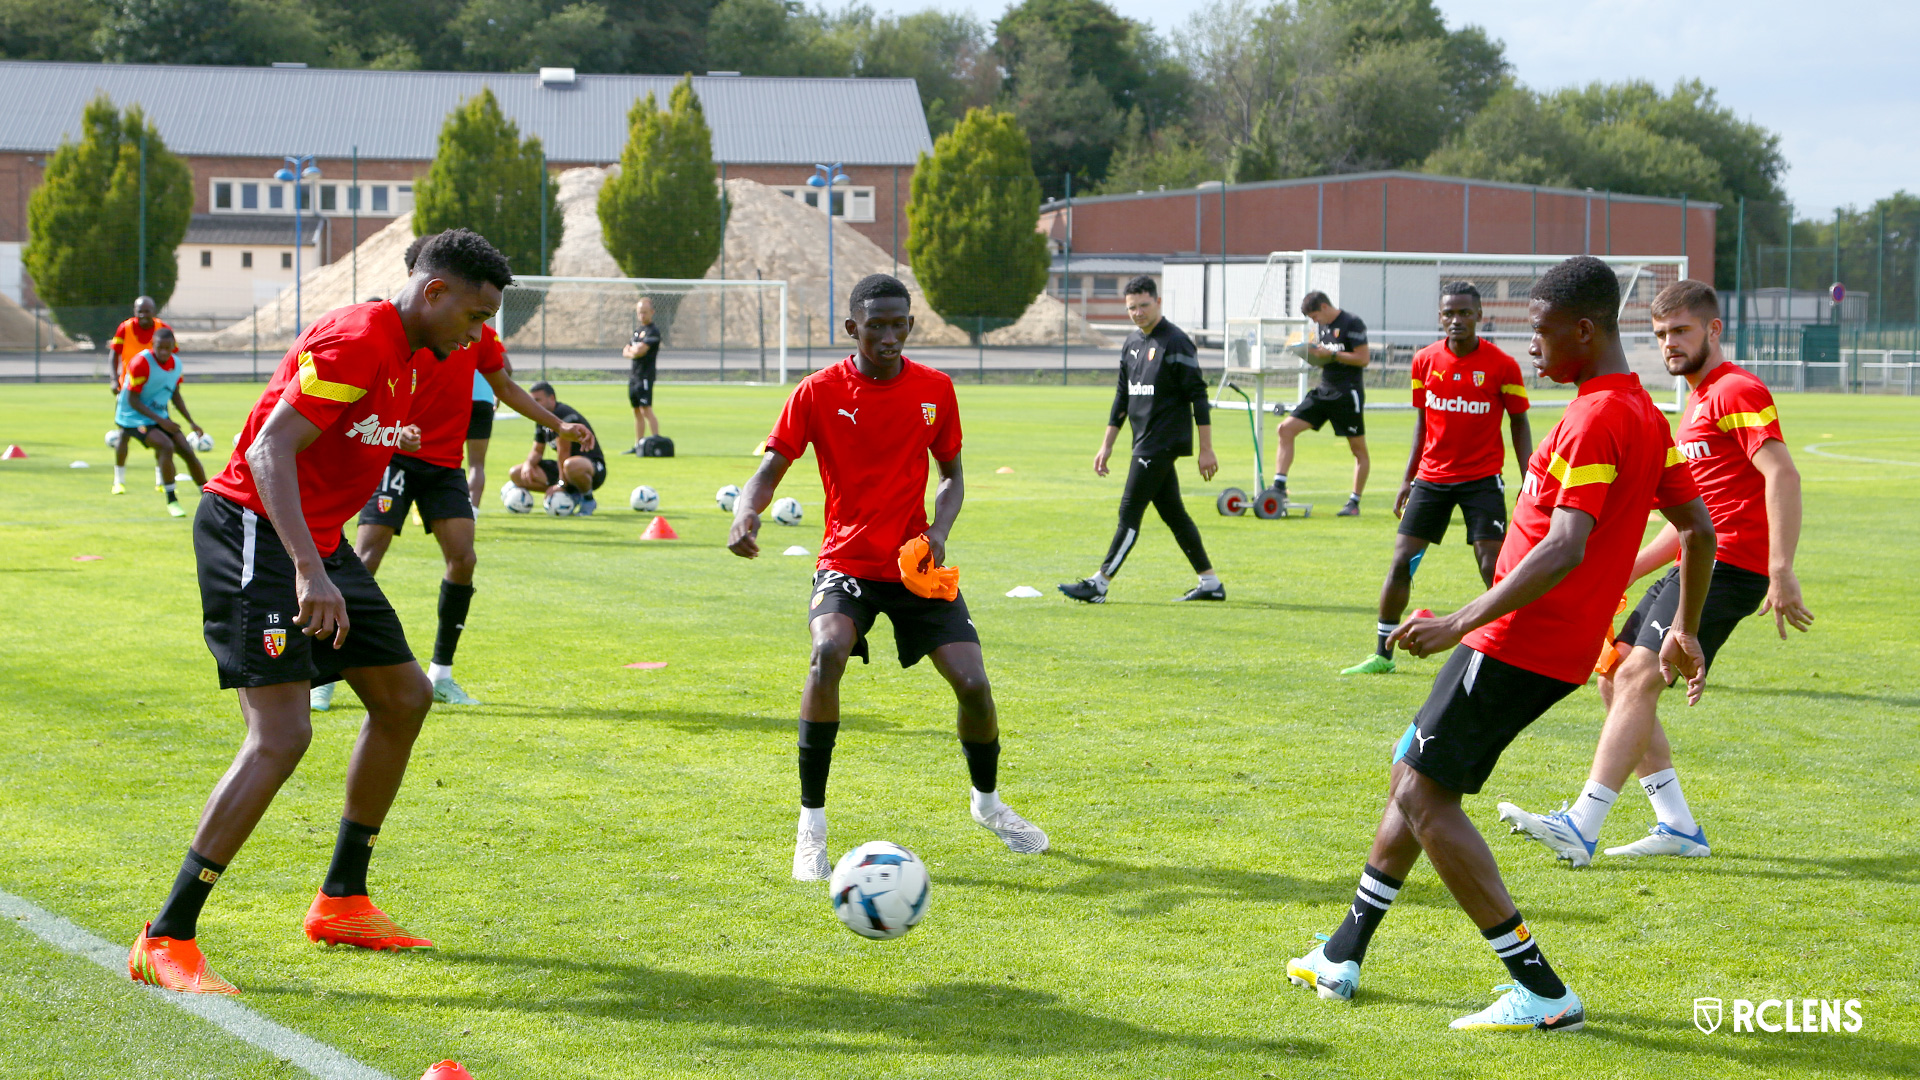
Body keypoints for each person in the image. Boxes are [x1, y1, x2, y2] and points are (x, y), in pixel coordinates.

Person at [1282, 256, 1715, 1032]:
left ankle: (1542, 989)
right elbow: (1697, 530)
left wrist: (1457, 621)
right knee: (1413, 769)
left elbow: (1564, 546)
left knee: (1421, 792)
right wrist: (1683, 625)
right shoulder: (1644, 413)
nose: (1535, 349)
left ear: (1584, 329)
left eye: (1543, 333)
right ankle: (1342, 952)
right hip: (1547, 640)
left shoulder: (1595, 418)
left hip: (1517, 638)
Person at [127, 229, 514, 995]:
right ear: (434, 292)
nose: (478, 334)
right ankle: (165, 935)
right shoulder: (360, 339)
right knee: (282, 735)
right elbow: (270, 450)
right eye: (475, 314)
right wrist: (310, 570)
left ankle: (341, 899)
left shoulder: (417, 354)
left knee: (404, 696)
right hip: (254, 528)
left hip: (316, 538)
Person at [727, 273, 1049, 882]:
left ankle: (987, 806)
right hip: (846, 561)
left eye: (899, 324)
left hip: (914, 564)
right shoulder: (819, 391)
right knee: (827, 653)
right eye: (876, 325)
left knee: (974, 685)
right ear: (853, 328)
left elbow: (952, 476)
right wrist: (746, 513)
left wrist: (939, 533)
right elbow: (770, 469)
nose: (889, 336)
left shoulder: (935, 389)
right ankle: (811, 830)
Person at [1497, 279, 1813, 864]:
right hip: (1701, 558)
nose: (1670, 343)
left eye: (1682, 331)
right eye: (1661, 333)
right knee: (1613, 674)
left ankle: (1582, 822)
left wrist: (1781, 569)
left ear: (1713, 330)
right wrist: (1626, 570)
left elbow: (1783, 475)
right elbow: (1691, 519)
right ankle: (1677, 826)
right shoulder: (1694, 400)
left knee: (1640, 675)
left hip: (1732, 565)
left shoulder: (1736, 389)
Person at [338, 242, 591, 712]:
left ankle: (441, 674)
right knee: (365, 558)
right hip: (396, 457)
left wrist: (558, 424)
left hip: (442, 466)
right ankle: (325, 676)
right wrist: (393, 429)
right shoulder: (402, 332)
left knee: (464, 559)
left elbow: (506, 387)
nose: (476, 330)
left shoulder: (478, 339)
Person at [1343, 284, 1532, 674]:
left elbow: (1518, 421)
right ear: (1439, 317)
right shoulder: (1424, 360)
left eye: (1464, 313)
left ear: (1479, 315)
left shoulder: (1502, 365)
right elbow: (1422, 424)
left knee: (1491, 563)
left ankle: (1517, 645)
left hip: (1482, 479)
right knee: (1401, 563)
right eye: (1449, 313)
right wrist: (1408, 477)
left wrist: (1528, 475)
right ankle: (1382, 654)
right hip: (1431, 478)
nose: (1456, 320)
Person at [1058, 275, 1223, 604]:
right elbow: (1123, 397)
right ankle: (1210, 583)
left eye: (1144, 305)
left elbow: (1198, 395)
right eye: (1132, 307)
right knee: (1174, 514)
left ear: (1158, 302)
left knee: (1129, 512)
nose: (1138, 312)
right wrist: (1107, 445)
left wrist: (1206, 448)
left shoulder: (1176, 342)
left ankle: (1099, 584)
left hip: (1161, 442)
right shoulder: (1132, 343)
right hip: (1143, 440)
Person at [1273, 291, 1371, 516]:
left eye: (1315, 316)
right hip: (1324, 390)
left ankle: (1354, 502)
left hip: (1347, 394)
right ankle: (1279, 487)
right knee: (1285, 429)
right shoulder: (1323, 326)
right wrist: (1311, 353)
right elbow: (1326, 356)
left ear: (1325, 307)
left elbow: (1363, 359)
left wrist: (1334, 355)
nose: (1314, 321)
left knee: (1358, 450)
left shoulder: (1352, 322)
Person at [111, 325, 209, 515]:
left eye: (168, 348)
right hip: (132, 417)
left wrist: (191, 421)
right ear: (153, 345)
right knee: (166, 446)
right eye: (160, 347)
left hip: (158, 416)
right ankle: (172, 500)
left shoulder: (176, 365)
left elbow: (175, 394)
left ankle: (207, 497)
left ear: (174, 346)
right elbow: (132, 399)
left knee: (186, 450)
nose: (164, 352)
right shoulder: (141, 363)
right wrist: (162, 421)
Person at [508, 382, 606, 513]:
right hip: (563, 468)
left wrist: (561, 484)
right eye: (532, 401)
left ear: (552, 398)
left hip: (589, 467)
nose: (535, 405)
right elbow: (537, 450)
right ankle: (568, 494)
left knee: (571, 465)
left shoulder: (562, 415)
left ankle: (587, 499)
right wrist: (528, 464)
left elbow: (563, 452)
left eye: (538, 400)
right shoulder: (541, 419)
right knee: (516, 473)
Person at [621, 296, 662, 452]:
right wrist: (633, 352)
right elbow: (626, 351)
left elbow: (640, 351)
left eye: (645, 312)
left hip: (645, 376)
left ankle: (656, 441)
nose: (642, 315)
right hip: (634, 376)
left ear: (652, 312)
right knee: (636, 410)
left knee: (646, 409)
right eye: (639, 312)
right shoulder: (638, 331)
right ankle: (638, 445)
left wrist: (633, 352)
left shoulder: (653, 331)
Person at [109, 295, 168, 394]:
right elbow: (114, 355)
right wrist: (114, 380)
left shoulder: (163, 329)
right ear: (135, 311)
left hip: (155, 389)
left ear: (154, 311)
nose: (143, 315)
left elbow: (172, 357)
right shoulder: (124, 328)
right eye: (140, 311)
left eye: (147, 311)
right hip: (128, 387)